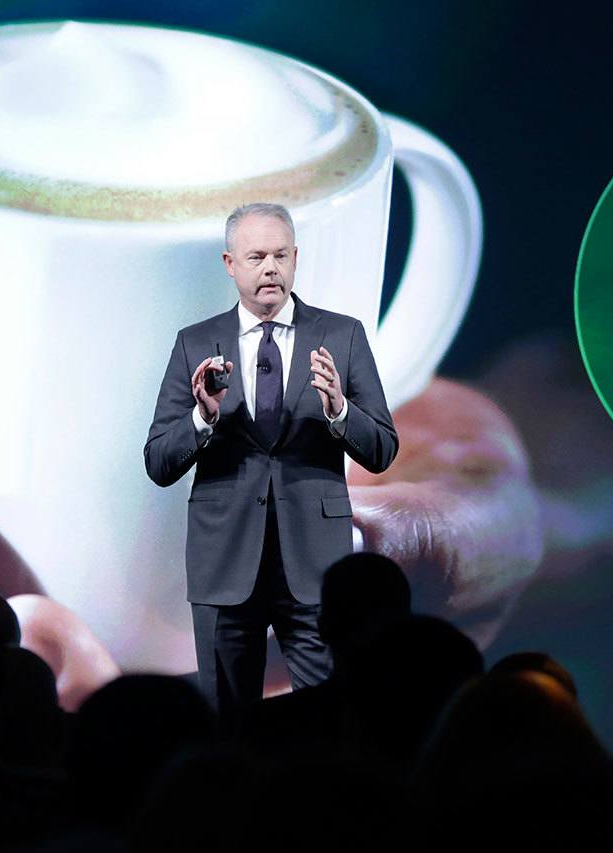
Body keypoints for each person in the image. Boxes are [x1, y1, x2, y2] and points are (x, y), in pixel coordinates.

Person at [143, 202, 398, 719]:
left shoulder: (341, 337)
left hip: (314, 565)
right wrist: (202, 418)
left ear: (297, 259)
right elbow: (158, 461)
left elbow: (382, 449)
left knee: (326, 719)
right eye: (256, 256)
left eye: (281, 255)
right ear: (229, 263)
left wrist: (339, 410)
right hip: (224, 563)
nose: (271, 268)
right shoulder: (195, 343)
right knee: (225, 725)